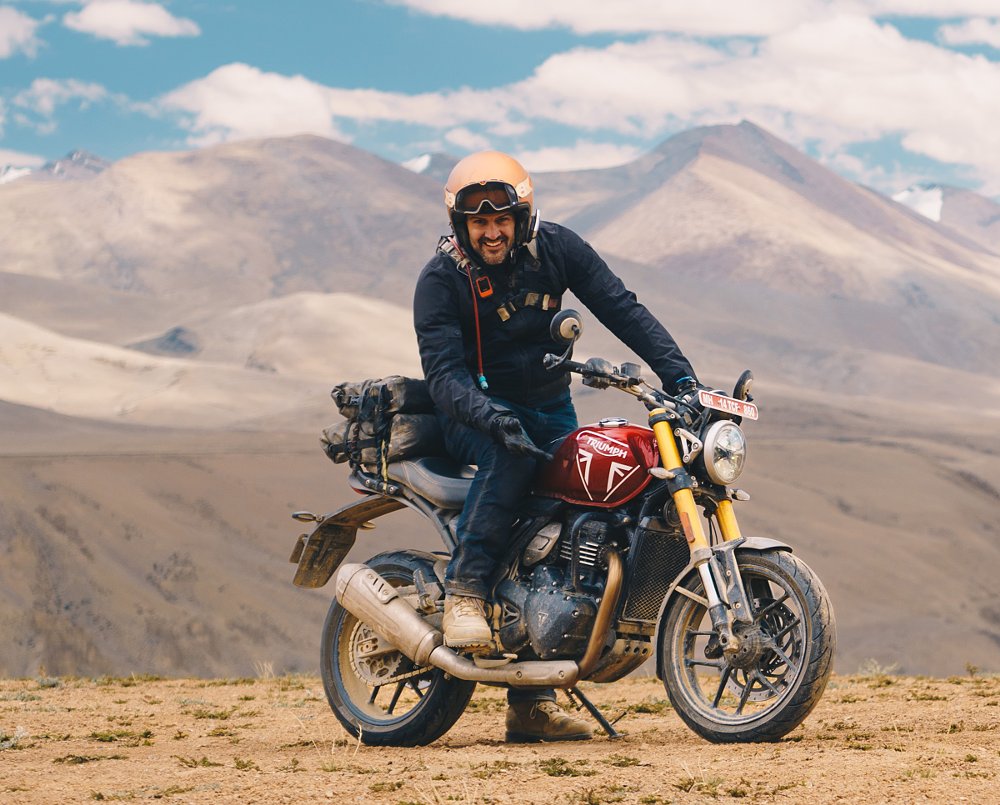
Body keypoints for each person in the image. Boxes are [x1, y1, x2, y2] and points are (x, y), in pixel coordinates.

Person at [412, 150, 700, 742]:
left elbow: (622, 307)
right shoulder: (441, 281)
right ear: (460, 225)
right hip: (470, 413)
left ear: (522, 216)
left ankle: (532, 702)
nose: (491, 233)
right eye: (478, 223)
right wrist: (490, 417)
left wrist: (683, 379)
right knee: (513, 456)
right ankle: (465, 592)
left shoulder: (558, 250)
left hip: (549, 407)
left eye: (501, 220)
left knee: (580, 507)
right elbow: (443, 375)